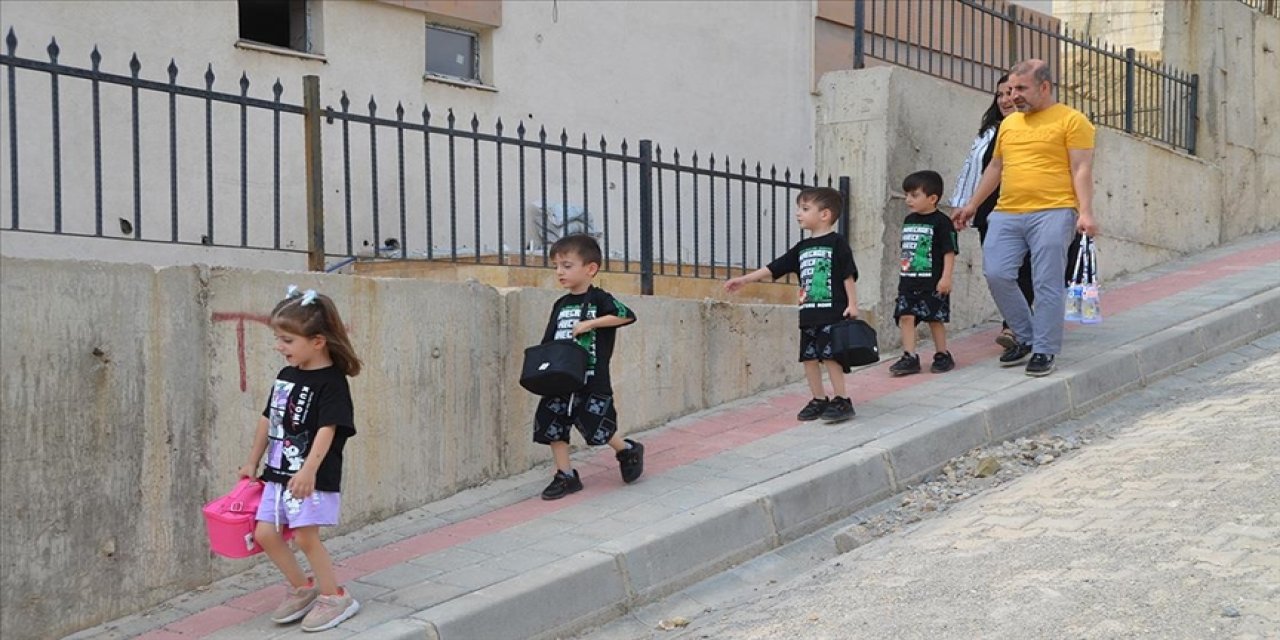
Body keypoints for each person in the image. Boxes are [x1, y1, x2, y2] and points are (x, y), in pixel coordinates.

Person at [952, 59, 1098, 377]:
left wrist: (1085, 211)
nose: (1012, 96)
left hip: (1055, 210)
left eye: (1021, 88)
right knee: (996, 273)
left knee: (1046, 282)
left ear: (1044, 87)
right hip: (1007, 211)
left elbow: (1081, 168)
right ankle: (1027, 335)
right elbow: (995, 167)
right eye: (1010, 89)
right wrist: (972, 204)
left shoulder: (1073, 120)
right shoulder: (1010, 124)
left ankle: (1044, 350)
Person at [237, 286, 363, 631]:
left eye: (287, 340)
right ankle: (302, 588)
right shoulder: (286, 375)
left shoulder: (331, 382)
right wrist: (252, 461)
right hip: (277, 474)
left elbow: (330, 428)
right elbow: (269, 418)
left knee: (306, 537)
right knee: (265, 533)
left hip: (310, 477)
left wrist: (309, 470)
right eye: (279, 339)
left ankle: (335, 596)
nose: (280, 346)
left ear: (318, 341)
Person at [724, 186, 859, 423]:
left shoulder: (837, 243)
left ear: (825, 214)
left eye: (805, 209)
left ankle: (841, 399)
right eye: (799, 208)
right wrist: (744, 280)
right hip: (808, 315)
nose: (798, 213)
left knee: (830, 357)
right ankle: (819, 398)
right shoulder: (802, 248)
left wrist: (853, 304)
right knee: (808, 357)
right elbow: (775, 267)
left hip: (833, 313)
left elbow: (848, 274)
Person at [534, 234, 645, 500]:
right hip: (560, 377)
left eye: (567, 265)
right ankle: (566, 476)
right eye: (556, 266)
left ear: (590, 269)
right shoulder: (560, 304)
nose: (559, 272)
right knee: (553, 423)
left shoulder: (599, 299)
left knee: (596, 424)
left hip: (591, 377)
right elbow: (549, 339)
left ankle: (626, 449)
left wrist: (590, 324)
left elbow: (626, 315)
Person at [950, 75, 1031, 349]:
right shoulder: (990, 131)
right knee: (998, 271)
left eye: (1011, 92)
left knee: (1022, 270)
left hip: (1024, 209)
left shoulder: (1029, 128)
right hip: (990, 211)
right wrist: (966, 205)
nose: (1006, 99)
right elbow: (975, 170)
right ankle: (1019, 322)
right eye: (1000, 94)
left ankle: (1014, 328)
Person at [890, 170, 959, 376]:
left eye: (914, 195)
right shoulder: (909, 220)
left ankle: (942, 354)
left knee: (933, 318)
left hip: (933, 282)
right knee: (906, 317)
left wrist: (946, 278)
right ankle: (909, 356)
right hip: (909, 281)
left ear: (932, 198)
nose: (908, 200)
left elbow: (949, 251)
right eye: (907, 195)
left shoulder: (942, 222)